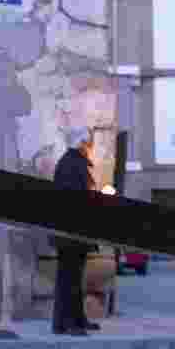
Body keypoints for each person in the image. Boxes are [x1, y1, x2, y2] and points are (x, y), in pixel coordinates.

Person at [50, 127, 100, 336]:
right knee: (69, 278)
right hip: (70, 233)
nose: (89, 148)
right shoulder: (72, 165)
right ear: (80, 143)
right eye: (87, 144)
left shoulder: (71, 163)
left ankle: (73, 320)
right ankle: (69, 323)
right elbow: (74, 202)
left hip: (71, 233)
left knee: (71, 277)